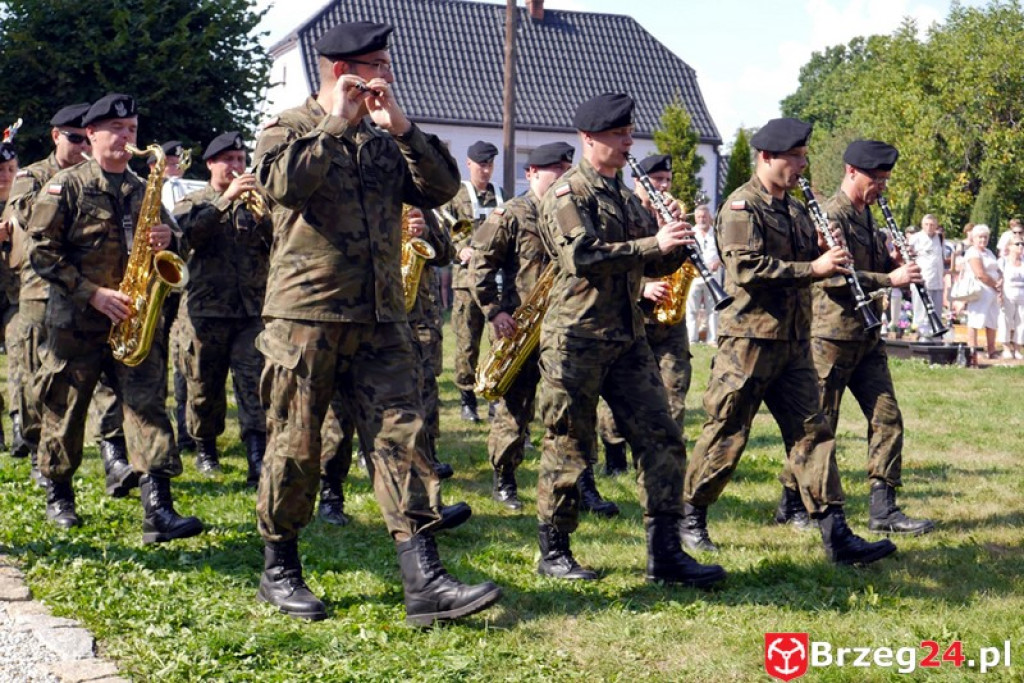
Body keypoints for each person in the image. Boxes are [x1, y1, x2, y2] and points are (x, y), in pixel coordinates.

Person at [252, 20, 501, 625]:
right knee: (296, 446)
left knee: (403, 439)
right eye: (378, 66)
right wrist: (336, 122)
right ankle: (280, 567)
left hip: (383, 314)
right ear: (344, 72)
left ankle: (426, 582)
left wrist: (407, 130)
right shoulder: (287, 128)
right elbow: (283, 187)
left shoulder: (387, 137)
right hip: (306, 316)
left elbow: (440, 190)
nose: (387, 76)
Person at [682, 118, 897, 566]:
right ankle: (689, 516)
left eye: (803, 157)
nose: (802, 165)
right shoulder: (742, 206)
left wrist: (824, 253)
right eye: (795, 158)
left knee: (814, 435)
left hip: (794, 342)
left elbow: (810, 262)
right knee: (727, 432)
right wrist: (813, 268)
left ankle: (836, 534)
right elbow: (747, 270)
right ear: (766, 158)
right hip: (749, 341)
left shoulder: (797, 209)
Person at [534, 92, 725, 587]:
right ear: (589, 138)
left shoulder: (624, 194)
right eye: (619, 134)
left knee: (661, 436)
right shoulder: (567, 194)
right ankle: (554, 549)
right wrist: (650, 242)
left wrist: (674, 244)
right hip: (575, 338)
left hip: (628, 336)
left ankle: (664, 554)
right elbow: (584, 257)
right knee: (568, 444)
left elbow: (648, 262)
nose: (628, 142)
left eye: (629, 133)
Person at [26, 93, 204, 543]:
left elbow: (175, 245)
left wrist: (170, 238)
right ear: (92, 134)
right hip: (78, 321)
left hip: (135, 320)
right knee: (65, 409)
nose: (128, 139)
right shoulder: (65, 185)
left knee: (147, 408)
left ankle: (158, 509)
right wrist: (93, 294)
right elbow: (41, 251)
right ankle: (60, 495)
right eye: (118, 130)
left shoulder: (144, 189)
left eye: (133, 131)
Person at [772, 140, 934, 536]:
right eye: (875, 179)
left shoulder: (867, 215)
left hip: (867, 335)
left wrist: (893, 262)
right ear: (851, 172)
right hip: (831, 337)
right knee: (818, 426)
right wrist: (889, 278)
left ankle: (883, 507)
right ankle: (792, 502)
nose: (881, 186)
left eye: (885, 180)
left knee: (887, 418)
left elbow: (872, 268)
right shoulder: (830, 214)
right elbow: (832, 278)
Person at [469, 141, 574, 511]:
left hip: (566, 325)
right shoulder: (512, 213)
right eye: (555, 171)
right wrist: (495, 311)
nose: (563, 177)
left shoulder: (573, 212)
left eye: (566, 171)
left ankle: (575, 483)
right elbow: (480, 264)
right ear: (532, 174)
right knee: (517, 407)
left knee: (569, 408)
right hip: (521, 327)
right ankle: (505, 477)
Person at [172, 132, 271, 485]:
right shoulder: (194, 202)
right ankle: (205, 449)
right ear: (211, 163)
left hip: (250, 313)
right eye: (228, 159)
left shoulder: (258, 205)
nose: (236, 166)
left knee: (255, 384)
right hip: (205, 312)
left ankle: (257, 456)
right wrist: (225, 201)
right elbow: (184, 240)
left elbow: (280, 245)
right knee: (204, 386)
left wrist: (266, 212)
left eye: (241, 160)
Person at [595, 153, 692, 499]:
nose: (664, 187)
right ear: (639, 182)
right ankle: (615, 450)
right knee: (618, 394)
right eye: (657, 180)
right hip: (632, 314)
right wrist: (642, 287)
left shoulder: (672, 214)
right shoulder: (624, 212)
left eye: (667, 180)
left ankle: (666, 461)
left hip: (670, 322)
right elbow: (609, 260)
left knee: (674, 390)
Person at [446, 140, 504, 422]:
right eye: (482, 164)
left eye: (490, 164)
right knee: (467, 344)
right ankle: (467, 399)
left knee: (498, 342)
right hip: (466, 284)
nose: (486, 169)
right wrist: (461, 248)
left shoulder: (501, 197)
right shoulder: (457, 197)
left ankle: (495, 394)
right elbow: (449, 231)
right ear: (469, 163)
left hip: (494, 284)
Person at [0, 137, 19, 452]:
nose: (5, 175)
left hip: (18, 297)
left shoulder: (26, 201)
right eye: (0, 170)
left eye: (11, 169)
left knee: (21, 357)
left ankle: (21, 426)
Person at [963, 224, 1002, 358]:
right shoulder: (972, 252)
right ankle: (972, 351)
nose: (983, 240)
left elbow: (996, 269)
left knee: (992, 321)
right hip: (980, 289)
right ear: (973, 238)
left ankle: (991, 350)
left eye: (985, 237)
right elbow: (980, 273)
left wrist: (1000, 280)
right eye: (980, 237)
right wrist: (995, 285)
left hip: (992, 291)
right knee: (975, 320)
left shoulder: (989, 252)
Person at [686, 203, 722, 345]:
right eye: (699, 217)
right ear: (695, 218)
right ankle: (692, 339)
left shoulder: (717, 234)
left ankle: (712, 340)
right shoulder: (690, 233)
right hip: (693, 277)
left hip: (712, 276)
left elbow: (723, 253)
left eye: (705, 217)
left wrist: (717, 262)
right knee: (691, 310)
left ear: (709, 218)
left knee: (713, 309)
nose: (702, 219)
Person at [908, 214, 946, 338]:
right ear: (922, 225)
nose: (930, 227)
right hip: (922, 279)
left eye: (932, 224)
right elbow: (907, 257)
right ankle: (921, 334)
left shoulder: (940, 238)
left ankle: (936, 334)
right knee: (921, 311)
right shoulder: (915, 238)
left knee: (936, 310)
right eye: (927, 224)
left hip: (937, 280)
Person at [998, 236, 1024, 359]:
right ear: (1009, 246)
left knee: (1022, 323)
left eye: (1022, 244)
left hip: (1022, 295)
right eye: (1017, 244)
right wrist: (999, 294)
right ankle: (1006, 348)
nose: (1020, 246)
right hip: (1007, 294)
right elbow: (998, 279)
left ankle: (1018, 349)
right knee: (1005, 321)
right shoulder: (1003, 261)